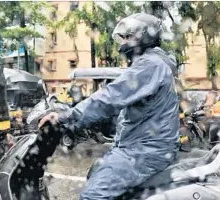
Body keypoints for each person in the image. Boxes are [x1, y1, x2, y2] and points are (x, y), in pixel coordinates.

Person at [39, 13, 180, 200]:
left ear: (145, 35)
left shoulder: (150, 65)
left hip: (144, 150)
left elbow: (112, 96)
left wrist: (67, 116)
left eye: (128, 36)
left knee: (92, 196)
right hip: (138, 146)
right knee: (97, 172)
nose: (124, 41)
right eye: (123, 37)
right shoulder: (153, 63)